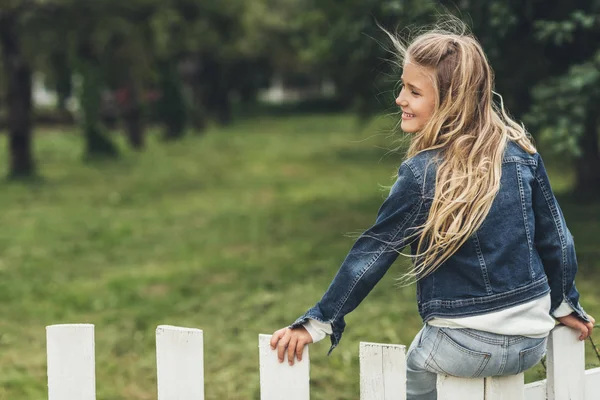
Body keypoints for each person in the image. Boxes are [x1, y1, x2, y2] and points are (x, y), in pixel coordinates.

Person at [269, 20, 595, 400]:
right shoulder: (520, 152)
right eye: (402, 87)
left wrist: (318, 320)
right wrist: (565, 302)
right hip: (530, 342)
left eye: (413, 91)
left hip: (462, 348)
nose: (400, 99)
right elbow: (557, 238)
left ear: (450, 100)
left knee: (414, 374)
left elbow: (373, 252)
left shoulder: (423, 173)